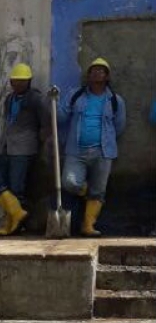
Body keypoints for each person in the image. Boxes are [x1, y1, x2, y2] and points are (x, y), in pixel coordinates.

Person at [56, 57, 127, 236]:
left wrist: (106, 140)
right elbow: (61, 117)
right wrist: (54, 102)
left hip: (103, 152)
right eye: (93, 70)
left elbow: (119, 126)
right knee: (69, 183)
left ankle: (88, 225)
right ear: (88, 75)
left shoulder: (115, 101)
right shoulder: (76, 95)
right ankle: (86, 191)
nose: (96, 73)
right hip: (76, 151)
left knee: (99, 191)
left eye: (101, 70)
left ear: (107, 76)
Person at [0, 62, 50, 235]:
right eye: (16, 81)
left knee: (17, 187)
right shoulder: (9, 98)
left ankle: (14, 224)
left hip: (24, 148)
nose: (18, 84)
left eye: (22, 81)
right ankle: (16, 213)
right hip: (5, 145)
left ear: (29, 82)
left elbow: (46, 123)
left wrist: (42, 145)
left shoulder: (35, 99)